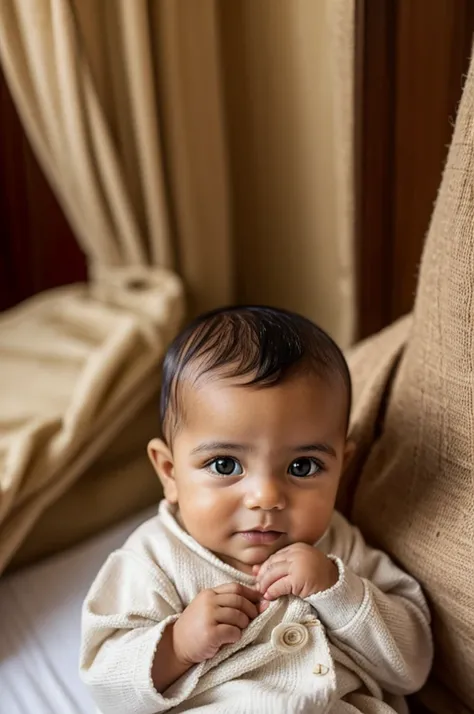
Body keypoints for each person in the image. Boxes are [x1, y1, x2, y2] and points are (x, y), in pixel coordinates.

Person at [80, 305, 433, 714]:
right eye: (225, 465)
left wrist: (339, 591)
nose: (265, 496)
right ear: (170, 472)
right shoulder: (154, 560)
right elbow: (105, 685)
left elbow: (412, 667)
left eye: (302, 467)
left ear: (341, 467)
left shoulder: (340, 549)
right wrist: (176, 645)